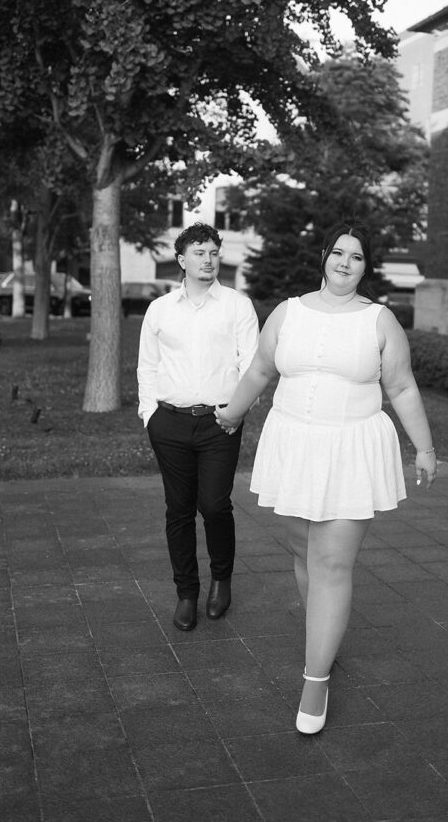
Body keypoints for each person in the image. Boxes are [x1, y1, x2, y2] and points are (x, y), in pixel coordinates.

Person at [216, 221, 437, 733]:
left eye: (356, 257)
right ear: (324, 257)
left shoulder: (379, 321)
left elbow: (401, 386)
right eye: (338, 253)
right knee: (304, 555)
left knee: (332, 563)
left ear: (365, 267)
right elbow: (259, 372)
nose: (345, 263)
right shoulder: (288, 313)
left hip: (352, 447)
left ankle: (315, 680)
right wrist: (230, 414)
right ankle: (324, 636)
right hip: (294, 445)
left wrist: (423, 447)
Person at [137, 222, 259, 632]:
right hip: (168, 423)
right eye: (199, 253)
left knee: (215, 505)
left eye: (213, 252)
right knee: (179, 511)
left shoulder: (237, 306)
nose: (208, 260)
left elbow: (252, 365)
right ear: (181, 260)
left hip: (220, 423)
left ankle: (220, 581)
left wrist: (237, 411)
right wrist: (148, 413)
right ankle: (186, 592)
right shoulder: (160, 309)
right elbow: (147, 366)